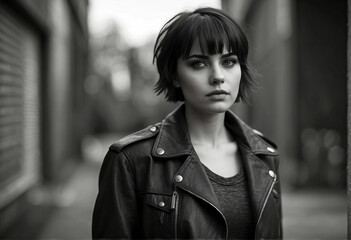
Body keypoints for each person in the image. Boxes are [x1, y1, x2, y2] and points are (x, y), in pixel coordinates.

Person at [92, 7, 282, 239]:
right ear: (174, 75)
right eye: (198, 64)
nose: (218, 76)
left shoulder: (265, 155)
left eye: (229, 62)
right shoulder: (131, 161)